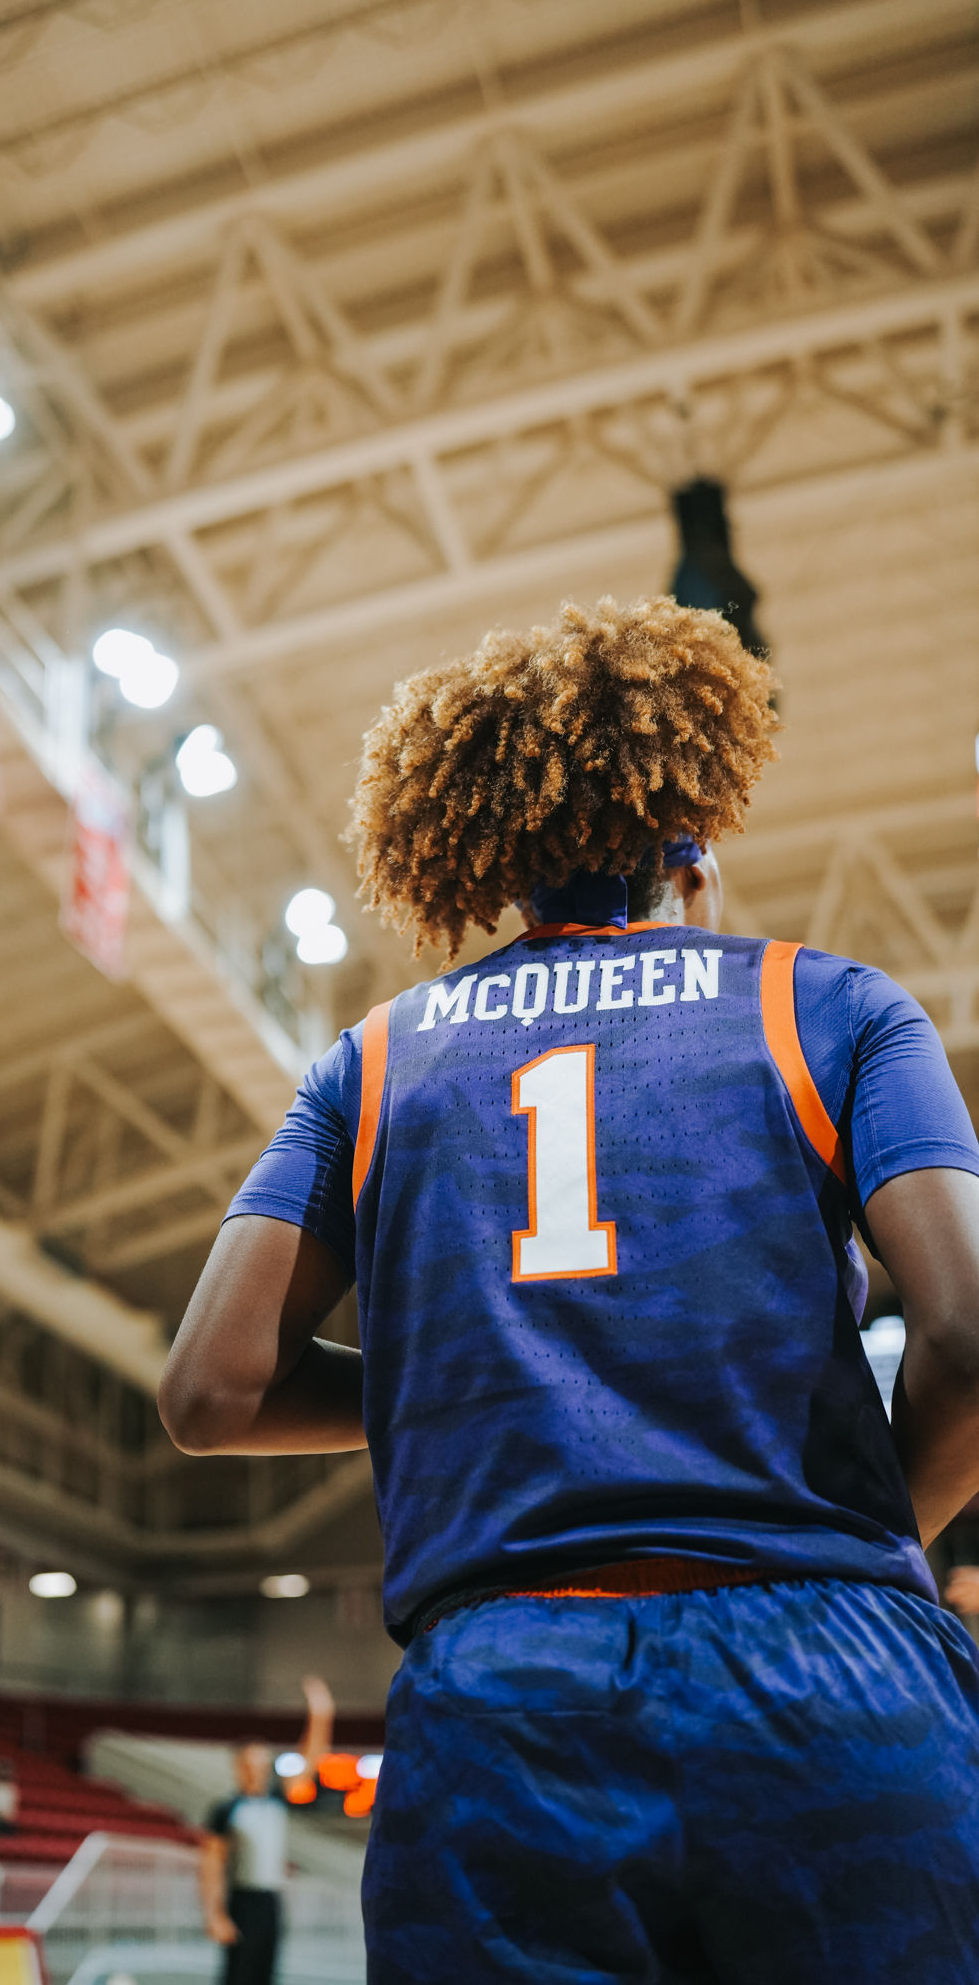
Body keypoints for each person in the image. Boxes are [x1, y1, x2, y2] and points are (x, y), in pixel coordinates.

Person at [159, 598, 979, 1983]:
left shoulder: (373, 1060)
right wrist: (876, 1534)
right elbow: (968, 1334)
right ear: (692, 842)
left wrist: (484, 1382)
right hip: (830, 1667)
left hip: (504, 1697)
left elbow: (210, 1392)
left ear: (482, 859)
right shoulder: (826, 1004)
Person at [199, 1675, 333, 1985]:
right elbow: (211, 1866)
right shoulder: (226, 1810)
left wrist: (321, 1714)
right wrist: (214, 1914)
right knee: (238, 1975)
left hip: (270, 1902)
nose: (257, 1769)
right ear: (239, 1766)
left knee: (266, 1974)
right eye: (251, 1763)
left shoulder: (277, 1798)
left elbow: (312, 1757)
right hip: (242, 1901)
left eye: (262, 1762)